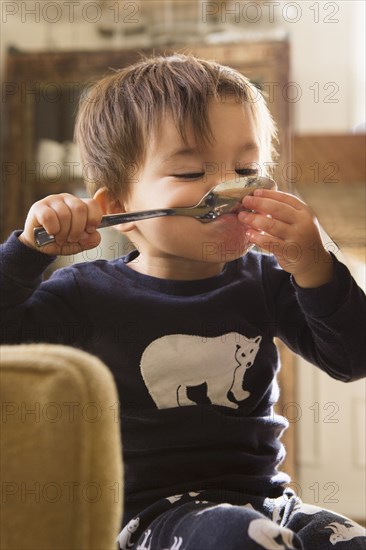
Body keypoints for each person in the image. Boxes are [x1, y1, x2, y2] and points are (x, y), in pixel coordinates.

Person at [1, 54, 365, 549]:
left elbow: (353, 358)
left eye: (246, 168)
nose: (228, 189)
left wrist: (315, 266)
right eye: (192, 171)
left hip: (269, 500)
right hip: (150, 517)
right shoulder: (84, 295)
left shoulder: (266, 280)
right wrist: (24, 254)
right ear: (118, 210)